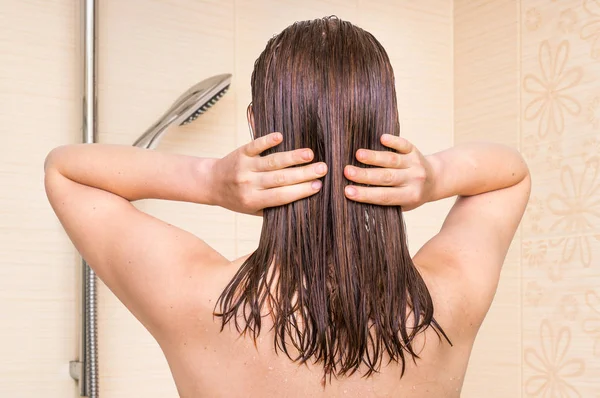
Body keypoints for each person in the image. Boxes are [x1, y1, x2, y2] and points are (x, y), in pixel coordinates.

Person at [44, 17, 530, 398]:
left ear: (256, 125)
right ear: (389, 130)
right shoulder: (444, 303)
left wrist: (209, 180)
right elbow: (511, 176)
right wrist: (436, 176)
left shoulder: (199, 300)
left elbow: (65, 170)